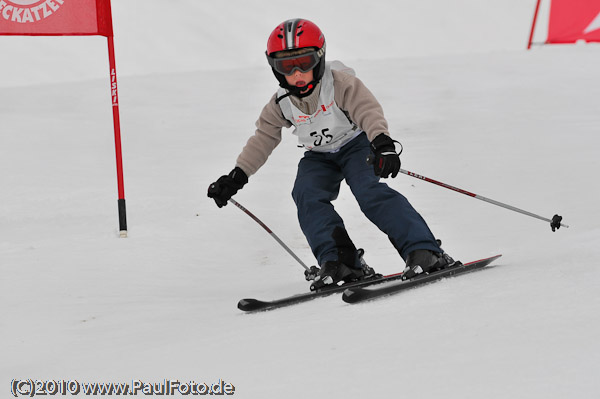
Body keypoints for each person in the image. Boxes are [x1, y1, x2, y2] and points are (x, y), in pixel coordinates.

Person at [208, 18, 454, 289]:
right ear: (275, 69)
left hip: (356, 146)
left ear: (320, 58)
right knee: (306, 194)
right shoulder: (281, 102)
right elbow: (263, 137)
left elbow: (367, 110)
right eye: (287, 67)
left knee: (369, 192)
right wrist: (237, 176)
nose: (298, 73)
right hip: (319, 156)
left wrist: (381, 143)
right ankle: (342, 261)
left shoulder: (339, 83)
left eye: (305, 62)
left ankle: (424, 250)